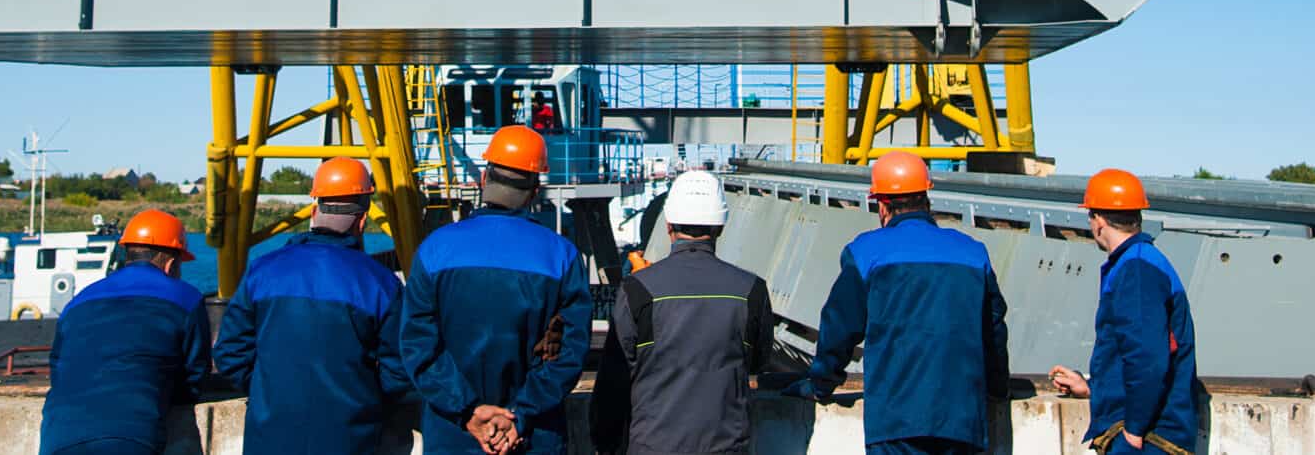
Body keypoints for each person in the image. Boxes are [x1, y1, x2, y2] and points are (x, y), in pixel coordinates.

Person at [800, 150, 1008, 455]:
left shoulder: (866, 252)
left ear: (882, 205)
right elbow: (994, 332)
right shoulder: (973, 252)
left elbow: (839, 328)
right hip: (963, 421)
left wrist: (820, 384)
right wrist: (998, 389)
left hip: (895, 421)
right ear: (927, 200)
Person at [400, 125, 592, 455]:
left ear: (484, 178)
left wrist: (469, 412)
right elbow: (569, 351)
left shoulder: (435, 250)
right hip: (532, 437)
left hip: (453, 435)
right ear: (536, 189)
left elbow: (418, 346)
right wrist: (521, 415)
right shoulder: (561, 256)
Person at [212, 157, 409, 454]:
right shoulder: (381, 283)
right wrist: (361, 398)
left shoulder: (262, 271)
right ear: (362, 220)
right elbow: (399, 370)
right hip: (349, 439)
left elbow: (229, 354)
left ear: (315, 210)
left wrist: (270, 390)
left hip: (269, 437)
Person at [590, 169, 774, 455]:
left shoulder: (637, 289)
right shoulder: (751, 290)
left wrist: (605, 443)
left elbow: (613, 380)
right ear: (721, 227)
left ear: (668, 225)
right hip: (725, 446)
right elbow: (758, 362)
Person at [1048, 169, 1198, 454]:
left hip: (1149, 437)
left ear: (1099, 221)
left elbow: (1147, 357)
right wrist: (1093, 388)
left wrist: (1134, 429)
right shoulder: (1140, 261)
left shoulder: (1137, 269)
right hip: (1147, 432)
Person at [38, 208, 210, 455]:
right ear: (172, 264)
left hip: (58, 436)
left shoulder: (79, 300)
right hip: (130, 436)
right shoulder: (186, 298)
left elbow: (59, 369)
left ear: (127, 253)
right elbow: (193, 378)